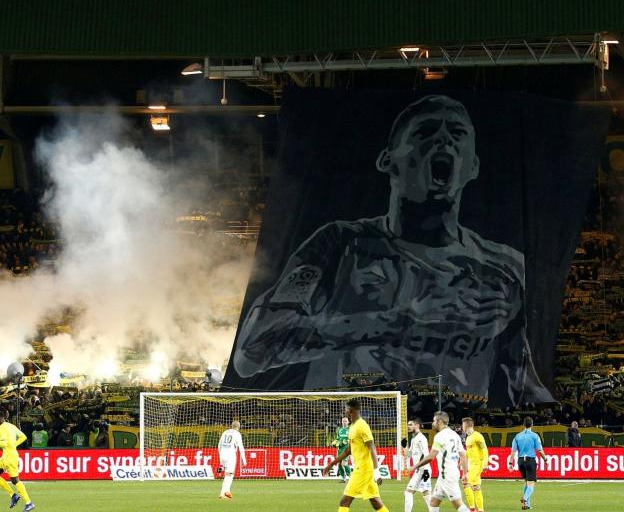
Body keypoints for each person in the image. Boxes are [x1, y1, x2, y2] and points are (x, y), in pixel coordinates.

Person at [232, 95, 551, 407]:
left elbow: (522, 382)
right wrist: (399, 318)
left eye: (457, 134)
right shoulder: (340, 243)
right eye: (425, 132)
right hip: (352, 426)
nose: (443, 141)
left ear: (473, 166)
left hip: (443, 431)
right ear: (388, 160)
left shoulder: (503, 268)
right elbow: (253, 351)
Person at [314, 399, 402, 512]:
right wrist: (331, 464)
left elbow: (372, 447)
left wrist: (376, 471)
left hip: (363, 470)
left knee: (345, 501)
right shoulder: (353, 427)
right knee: (376, 502)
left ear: (351, 410)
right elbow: (348, 450)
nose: (344, 411)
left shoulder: (362, 426)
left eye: (346, 409)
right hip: (362, 469)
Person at [406, 411, 485, 512]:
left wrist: (414, 467)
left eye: (434, 420)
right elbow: (463, 455)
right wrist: (465, 473)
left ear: (439, 422)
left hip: (446, 475)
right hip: (449, 474)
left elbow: (431, 456)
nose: (432, 423)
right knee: (434, 502)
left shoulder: (440, 436)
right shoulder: (455, 435)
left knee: (458, 504)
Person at [394, 419, 441, 512]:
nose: (408, 426)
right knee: (426, 494)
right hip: (422, 469)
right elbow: (410, 455)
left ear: (417, 425)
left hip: (422, 470)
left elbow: (426, 455)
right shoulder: (414, 439)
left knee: (408, 492)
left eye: (410, 425)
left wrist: (419, 469)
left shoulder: (421, 439)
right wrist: (405, 448)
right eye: (408, 425)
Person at [0, 410, 34, 512]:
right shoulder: (11, 426)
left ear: (0, 418)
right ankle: (13, 495)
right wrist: (14, 444)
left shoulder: (0, 428)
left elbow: (3, 444)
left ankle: (29, 502)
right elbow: (23, 437)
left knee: (15, 480)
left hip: (10, 457)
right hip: (6, 455)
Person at [507, 417, 550, 510]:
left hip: (521, 461)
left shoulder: (517, 436)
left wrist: (510, 463)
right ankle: (525, 498)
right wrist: (546, 460)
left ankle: (527, 505)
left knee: (526, 482)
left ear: (523, 425)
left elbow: (513, 452)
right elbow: (540, 450)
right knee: (531, 484)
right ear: (532, 425)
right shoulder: (535, 436)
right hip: (530, 461)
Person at [462, 417, 489, 512]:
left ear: (467, 426)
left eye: (463, 425)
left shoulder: (477, 436)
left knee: (465, 482)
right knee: (476, 487)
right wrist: (462, 462)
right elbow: (469, 452)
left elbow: (484, 450)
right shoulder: (468, 437)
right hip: (472, 464)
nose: (462, 427)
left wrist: (485, 463)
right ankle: (481, 511)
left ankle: (472, 509)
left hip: (478, 464)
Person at [217, 421, 247, 500]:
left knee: (230, 474)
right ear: (239, 427)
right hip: (230, 455)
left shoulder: (225, 432)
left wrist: (221, 458)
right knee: (229, 475)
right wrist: (244, 460)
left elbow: (219, 445)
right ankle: (222, 493)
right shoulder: (237, 434)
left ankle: (227, 491)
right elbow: (241, 447)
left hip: (223, 453)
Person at [331, 417, 351, 482]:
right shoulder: (339, 430)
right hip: (340, 448)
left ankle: (351, 477)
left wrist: (347, 441)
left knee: (345, 463)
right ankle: (343, 478)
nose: (344, 422)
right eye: (343, 421)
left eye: (345, 421)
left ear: (348, 422)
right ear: (341, 422)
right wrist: (334, 442)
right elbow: (338, 438)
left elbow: (352, 438)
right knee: (339, 463)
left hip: (347, 448)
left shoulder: (350, 429)